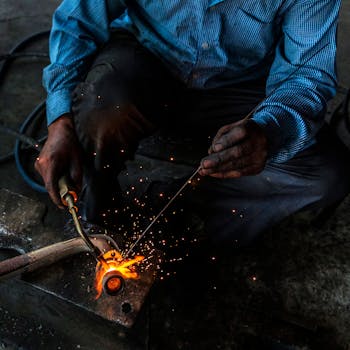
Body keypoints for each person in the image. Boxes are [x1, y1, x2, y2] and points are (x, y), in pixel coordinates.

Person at [35, 0, 350, 247]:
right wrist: (60, 121)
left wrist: (269, 130)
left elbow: (307, 73)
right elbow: (76, 22)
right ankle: (99, 205)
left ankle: (173, 211)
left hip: (235, 91)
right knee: (104, 104)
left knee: (325, 177)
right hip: (144, 65)